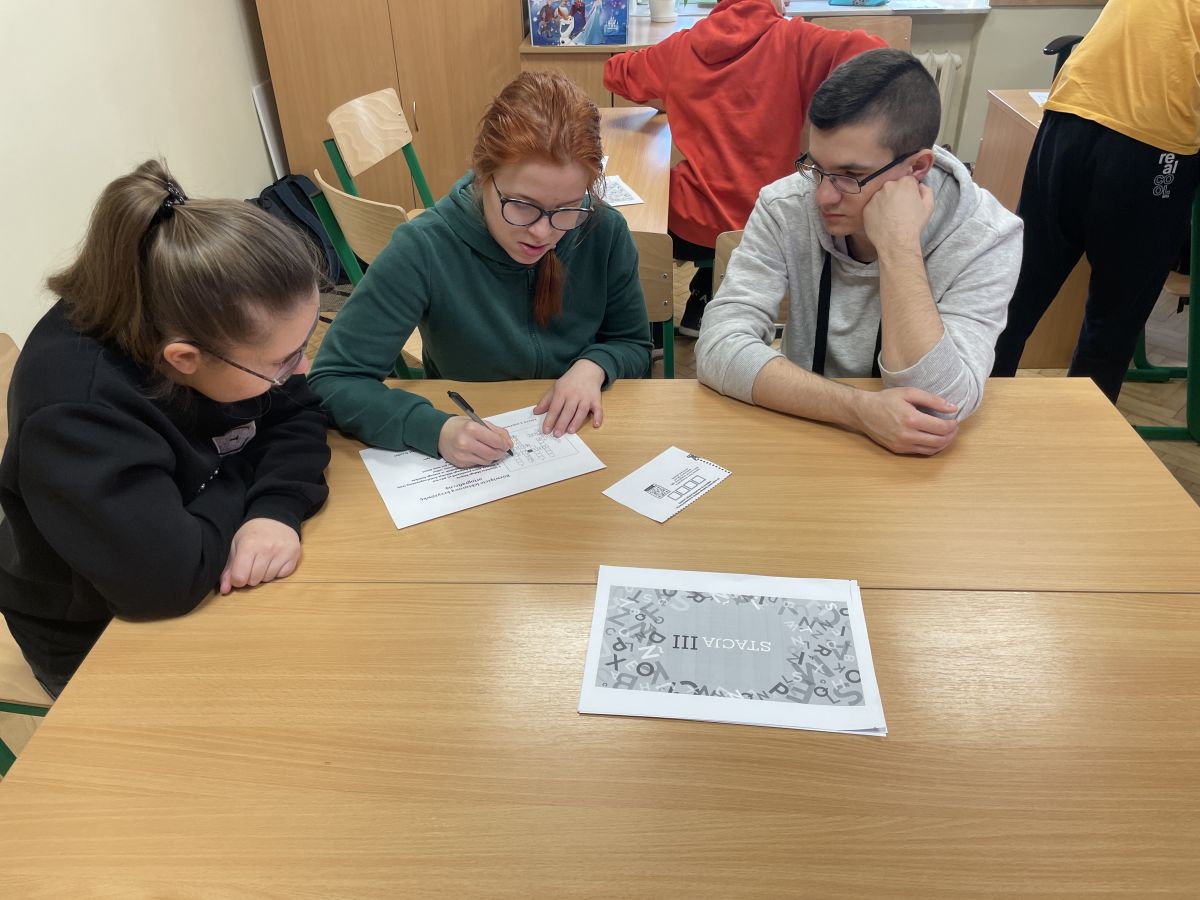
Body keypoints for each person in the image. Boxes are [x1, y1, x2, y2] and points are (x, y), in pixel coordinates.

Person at [0, 160, 331, 698]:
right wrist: (243, 470)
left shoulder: (207, 322)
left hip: (193, 559)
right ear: (184, 359)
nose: (299, 369)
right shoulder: (74, 412)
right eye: (282, 361)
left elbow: (300, 411)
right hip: (94, 629)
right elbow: (166, 581)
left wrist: (274, 509)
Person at [309, 70, 651, 467]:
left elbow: (632, 343)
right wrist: (434, 429)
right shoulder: (425, 247)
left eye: (567, 208)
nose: (543, 232)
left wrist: (595, 366)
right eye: (521, 205)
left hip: (580, 441)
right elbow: (332, 380)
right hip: (473, 449)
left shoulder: (603, 231)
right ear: (484, 176)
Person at [695, 49, 1022, 456]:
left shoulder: (987, 235)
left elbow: (938, 407)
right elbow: (717, 347)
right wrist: (859, 410)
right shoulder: (786, 204)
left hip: (916, 463)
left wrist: (898, 246)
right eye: (815, 166)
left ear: (918, 167)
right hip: (803, 425)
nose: (822, 196)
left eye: (850, 175)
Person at [603, 0, 885, 337]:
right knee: (757, 218)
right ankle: (708, 293)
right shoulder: (798, 41)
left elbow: (615, 73)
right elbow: (877, 57)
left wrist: (669, 92)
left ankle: (658, 315)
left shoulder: (680, 47)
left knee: (654, 200)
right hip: (771, 222)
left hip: (693, 226)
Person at [990, 0, 1199, 403]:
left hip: (1069, 111)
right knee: (1113, 318)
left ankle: (967, 412)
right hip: (1150, 137)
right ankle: (1079, 431)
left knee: (1021, 285)